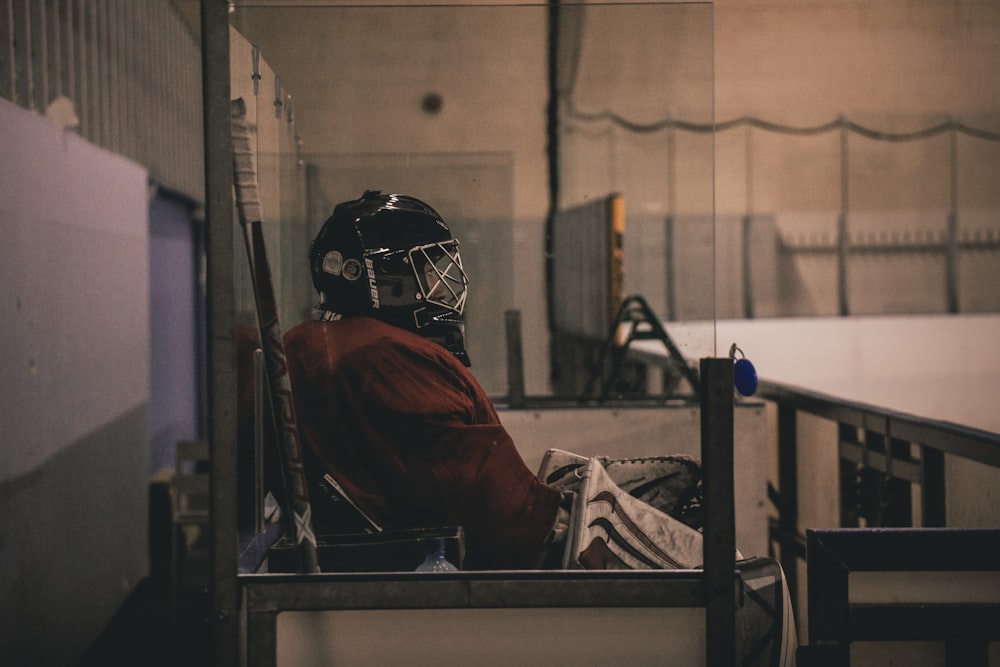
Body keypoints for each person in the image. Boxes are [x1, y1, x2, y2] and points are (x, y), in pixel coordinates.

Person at [272, 190, 703, 570]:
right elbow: (498, 520)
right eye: (426, 272)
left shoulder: (319, 344)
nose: (442, 288)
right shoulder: (382, 355)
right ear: (383, 282)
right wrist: (564, 522)